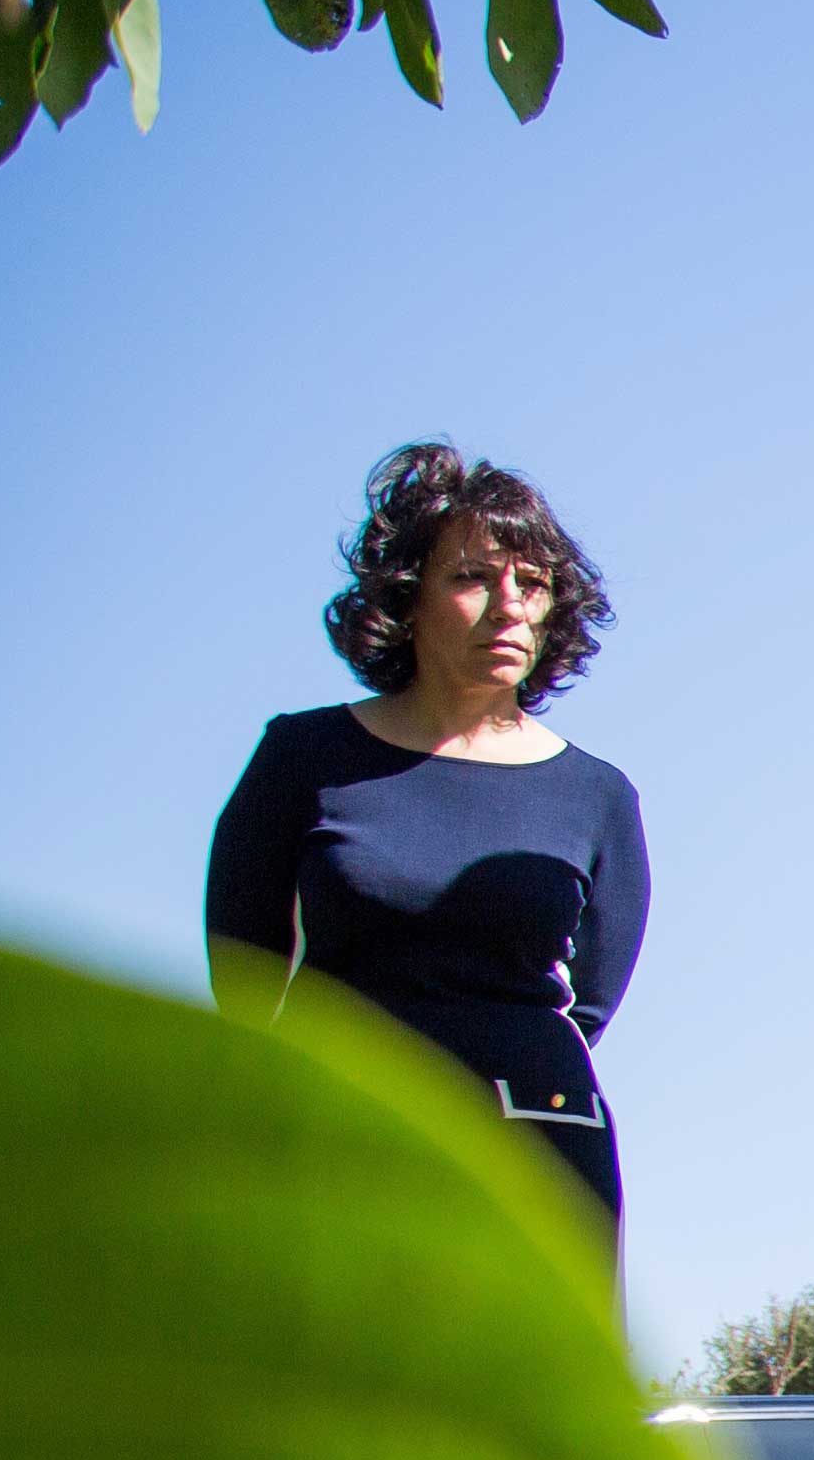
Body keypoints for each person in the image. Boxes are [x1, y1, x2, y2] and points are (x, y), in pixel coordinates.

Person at [207, 445, 651, 1231]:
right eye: (473, 577)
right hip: (337, 1130)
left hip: (539, 1141)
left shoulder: (599, 795)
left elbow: (591, 1007)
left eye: (534, 582)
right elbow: (243, 978)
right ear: (406, 599)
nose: (510, 606)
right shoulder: (303, 759)